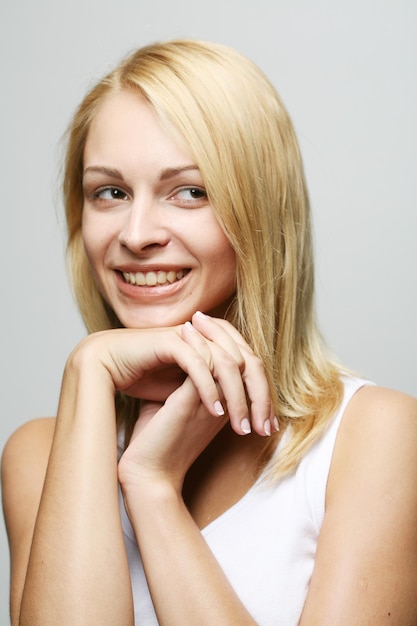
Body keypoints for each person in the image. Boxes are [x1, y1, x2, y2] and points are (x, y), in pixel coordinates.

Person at [1, 39, 417, 626]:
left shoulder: (373, 438)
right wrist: (86, 369)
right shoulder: (39, 456)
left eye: (190, 191)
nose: (137, 232)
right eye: (110, 192)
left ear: (261, 212)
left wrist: (151, 489)